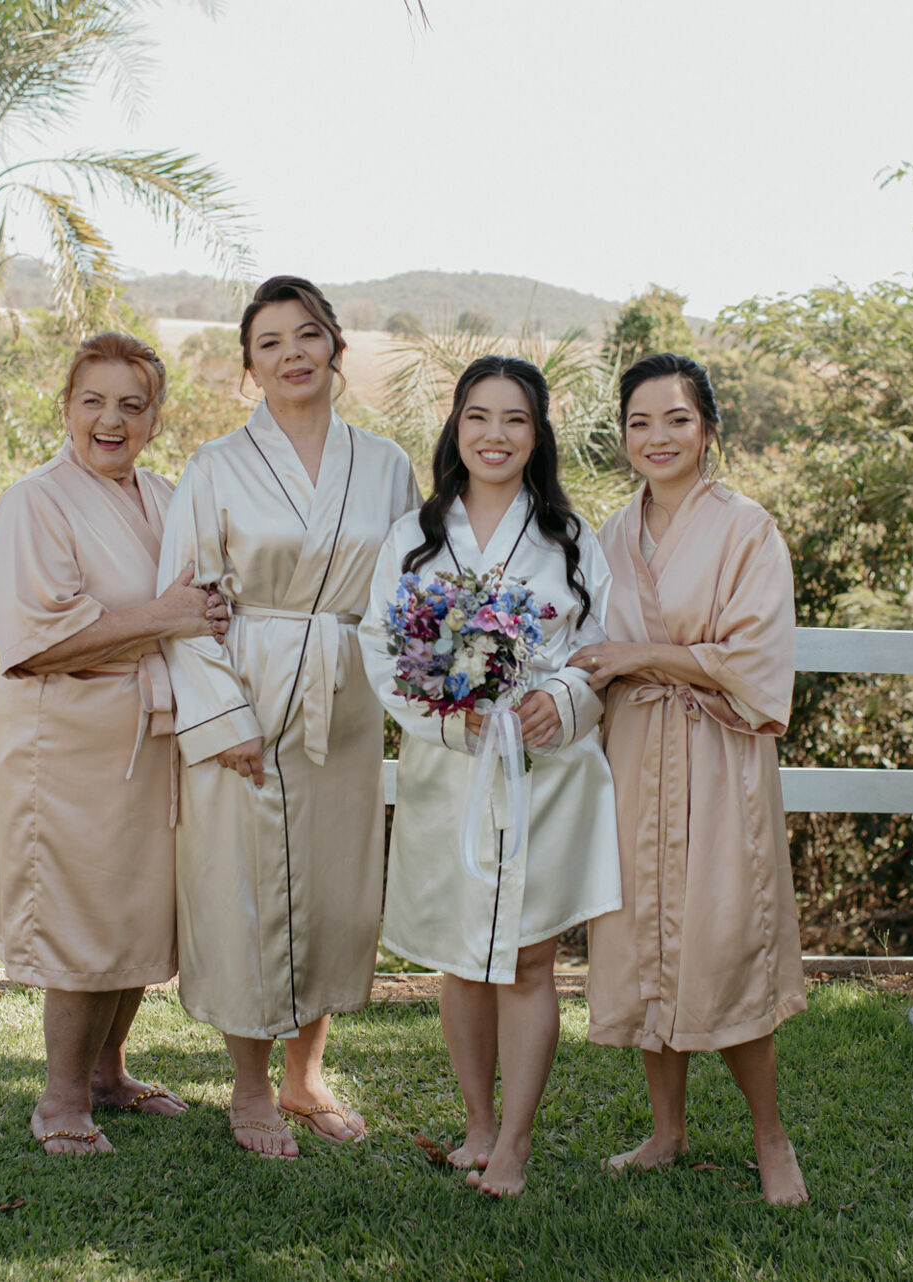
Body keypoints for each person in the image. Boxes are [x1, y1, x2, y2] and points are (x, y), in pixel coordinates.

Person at [157, 275, 422, 1159]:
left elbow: (406, 591)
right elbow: (185, 603)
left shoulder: (384, 464)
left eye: (307, 335)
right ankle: (248, 1088)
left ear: (337, 348)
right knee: (245, 889)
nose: (292, 355)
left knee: (334, 888)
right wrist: (222, 714)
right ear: (248, 368)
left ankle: (308, 1077)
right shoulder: (214, 466)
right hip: (247, 687)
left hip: (344, 696)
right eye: (269, 343)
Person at [360, 355, 620, 1198]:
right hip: (453, 771)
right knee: (462, 960)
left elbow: (601, 650)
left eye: (514, 419)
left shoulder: (573, 540)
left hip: (548, 772)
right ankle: (475, 1122)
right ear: (456, 427)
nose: (495, 435)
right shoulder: (415, 536)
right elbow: (380, 645)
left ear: (536, 433)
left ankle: (514, 1142)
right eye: (478, 417)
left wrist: (565, 700)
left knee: (530, 960)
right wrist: (445, 714)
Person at [0, 331, 230, 1156]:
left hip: (151, 738)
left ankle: (109, 1074)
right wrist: (167, 616)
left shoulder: (166, 497)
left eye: (132, 403)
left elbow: (200, 600)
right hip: (71, 743)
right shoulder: (36, 502)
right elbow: (35, 641)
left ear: (156, 417)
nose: (110, 419)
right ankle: (60, 1101)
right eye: (93, 400)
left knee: (135, 910)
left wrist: (209, 610)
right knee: (81, 919)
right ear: (66, 408)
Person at [572, 351, 810, 1205]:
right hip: (633, 755)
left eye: (676, 418)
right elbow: (582, 649)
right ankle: (666, 1131)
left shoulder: (748, 529)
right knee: (645, 942)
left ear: (708, 428)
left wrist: (642, 654)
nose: (658, 436)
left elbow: (757, 655)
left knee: (724, 939)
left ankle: (771, 1139)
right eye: (640, 422)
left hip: (719, 756)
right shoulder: (607, 535)